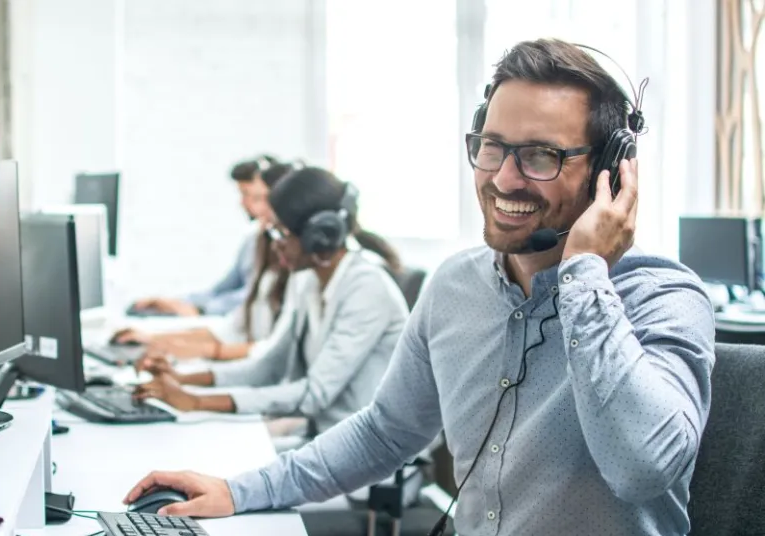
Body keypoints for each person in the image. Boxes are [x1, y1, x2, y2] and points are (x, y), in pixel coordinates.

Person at [122, 39, 716, 536]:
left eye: (541, 156)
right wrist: (238, 490)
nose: (504, 178)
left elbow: (643, 468)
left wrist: (586, 276)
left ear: (611, 172)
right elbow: (385, 430)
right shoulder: (455, 285)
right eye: (492, 148)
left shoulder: (664, 299)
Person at [130, 167, 409, 444]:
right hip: (327, 439)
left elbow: (314, 395)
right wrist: (183, 379)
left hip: (371, 457)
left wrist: (196, 402)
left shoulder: (367, 288)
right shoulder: (308, 280)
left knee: (227, 467)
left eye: (280, 233)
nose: (273, 245)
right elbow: (268, 368)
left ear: (319, 235)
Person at [114, 162, 298, 361]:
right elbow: (230, 310)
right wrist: (158, 334)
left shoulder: (294, 269)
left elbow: (269, 348)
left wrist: (197, 320)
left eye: (257, 198)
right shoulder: (258, 241)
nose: (248, 205)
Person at [128, 155, 278, 317]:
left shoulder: (283, 245)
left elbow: (256, 297)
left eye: (250, 195)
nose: (243, 203)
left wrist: (202, 309)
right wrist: (175, 302)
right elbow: (221, 289)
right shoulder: (252, 241)